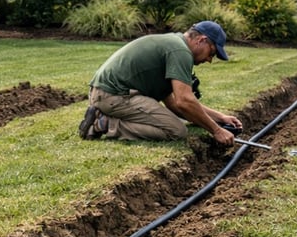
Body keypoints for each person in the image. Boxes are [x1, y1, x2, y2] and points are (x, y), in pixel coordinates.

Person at [79, 20, 243, 144]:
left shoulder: (174, 43)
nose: (209, 60)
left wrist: (220, 118)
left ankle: (104, 115)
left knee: (174, 122)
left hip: (106, 93)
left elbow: (174, 103)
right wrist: (216, 130)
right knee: (176, 130)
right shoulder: (180, 51)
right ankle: (104, 123)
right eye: (211, 53)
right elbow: (184, 101)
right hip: (113, 95)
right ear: (201, 40)